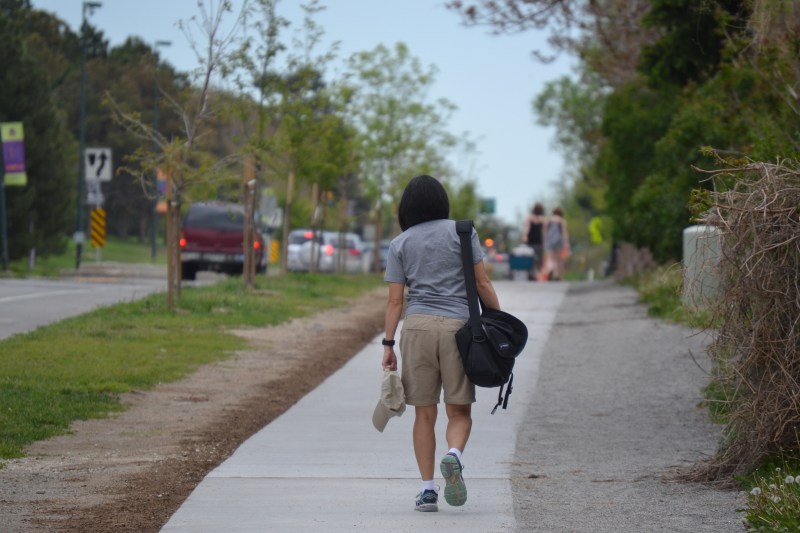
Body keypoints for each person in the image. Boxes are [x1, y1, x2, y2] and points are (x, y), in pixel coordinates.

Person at [382, 174, 501, 513]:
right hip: (458, 330)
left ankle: (427, 490)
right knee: (459, 411)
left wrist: (388, 344)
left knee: (424, 413)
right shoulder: (463, 232)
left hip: (416, 329)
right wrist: (498, 323)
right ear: (442, 202)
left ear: (407, 207)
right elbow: (482, 283)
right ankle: (453, 456)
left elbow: (394, 302)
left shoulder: (400, 243)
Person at [521, 202, 546, 281]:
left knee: (531, 257)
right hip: (539, 241)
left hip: (531, 241)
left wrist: (525, 236)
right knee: (538, 258)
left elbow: (527, 228)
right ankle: (537, 274)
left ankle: (533, 274)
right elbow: (544, 232)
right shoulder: (542, 219)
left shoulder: (529, 217)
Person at [545, 206, 570, 281]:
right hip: (559, 241)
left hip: (550, 241)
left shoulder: (549, 220)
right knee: (559, 260)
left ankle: (551, 269)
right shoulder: (562, 220)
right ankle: (558, 275)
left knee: (551, 258)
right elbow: (564, 233)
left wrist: (545, 241)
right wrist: (566, 243)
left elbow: (546, 232)